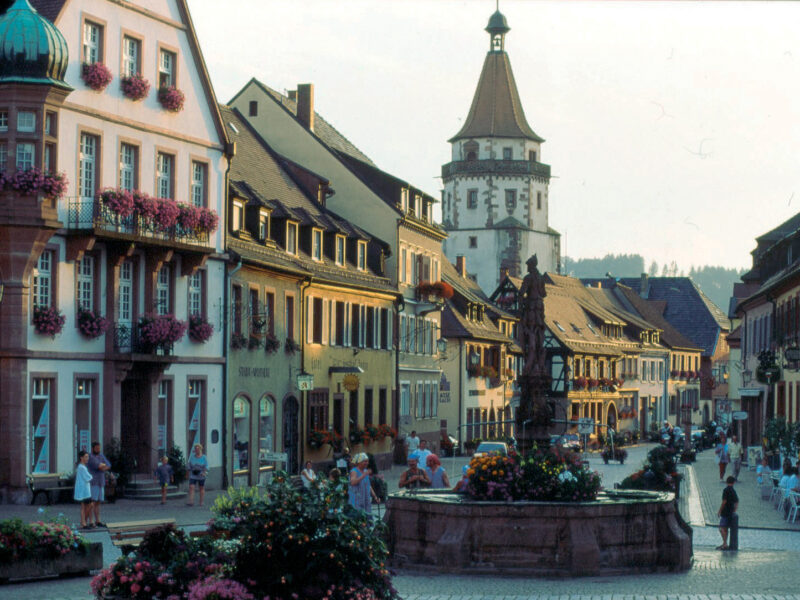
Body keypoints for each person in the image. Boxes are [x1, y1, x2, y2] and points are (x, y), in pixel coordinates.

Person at [87, 442, 111, 528]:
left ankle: (98, 521)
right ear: (93, 448)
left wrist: (103, 466)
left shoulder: (101, 455)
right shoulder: (90, 457)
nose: (98, 449)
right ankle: (91, 521)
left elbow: (108, 465)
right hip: (94, 482)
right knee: (92, 502)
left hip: (101, 482)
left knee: (98, 502)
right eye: (96, 448)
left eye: (99, 448)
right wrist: (103, 466)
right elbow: (99, 466)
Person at [716, 475, 738, 551]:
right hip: (730, 511)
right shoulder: (733, 490)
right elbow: (737, 501)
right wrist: (734, 509)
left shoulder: (725, 490)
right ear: (733, 482)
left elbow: (724, 501)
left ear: (726, 482)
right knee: (725, 528)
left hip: (725, 511)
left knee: (721, 528)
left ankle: (725, 543)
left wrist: (719, 510)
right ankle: (725, 543)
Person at [74, 451, 93, 529]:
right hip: (83, 490)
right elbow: (88, 477)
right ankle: (83, 522)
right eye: (85, 457)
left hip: (84, 489)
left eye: (87, 457)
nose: (87, 458)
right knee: (86, 506)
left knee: (86, 506)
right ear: (81, 458)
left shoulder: (82, 467)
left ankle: (84, 522)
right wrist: (91, 476)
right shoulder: (81, 467)